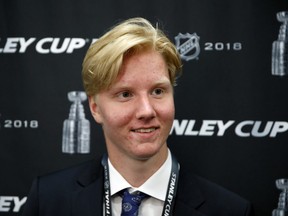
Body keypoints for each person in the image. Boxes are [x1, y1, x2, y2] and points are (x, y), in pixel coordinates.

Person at [21, 17, 254, 216]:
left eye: (158, 91)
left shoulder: (230, 210)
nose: (146, 111)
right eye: (125, 94)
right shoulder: (48, 200)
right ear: (95, 108)